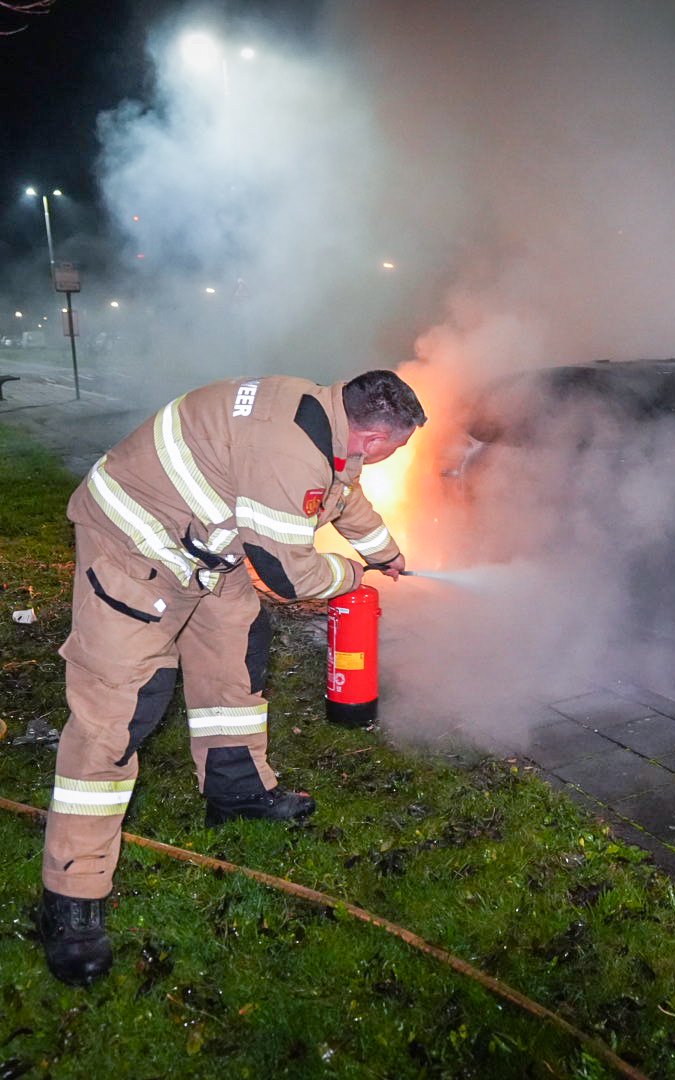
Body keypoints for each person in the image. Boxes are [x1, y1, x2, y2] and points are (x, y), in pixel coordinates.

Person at [37, 369, 426, 985]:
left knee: (236, 659)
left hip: (207, 546)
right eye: (393, 451)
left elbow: (341, 496)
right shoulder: (286, 450)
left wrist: (385, 551)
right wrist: (355, 576)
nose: (383, 460)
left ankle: (237, 792)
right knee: (119, 713)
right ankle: (72, 896)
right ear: (374, 439)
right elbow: (289, 575)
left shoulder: (324, 418)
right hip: (135, 547)